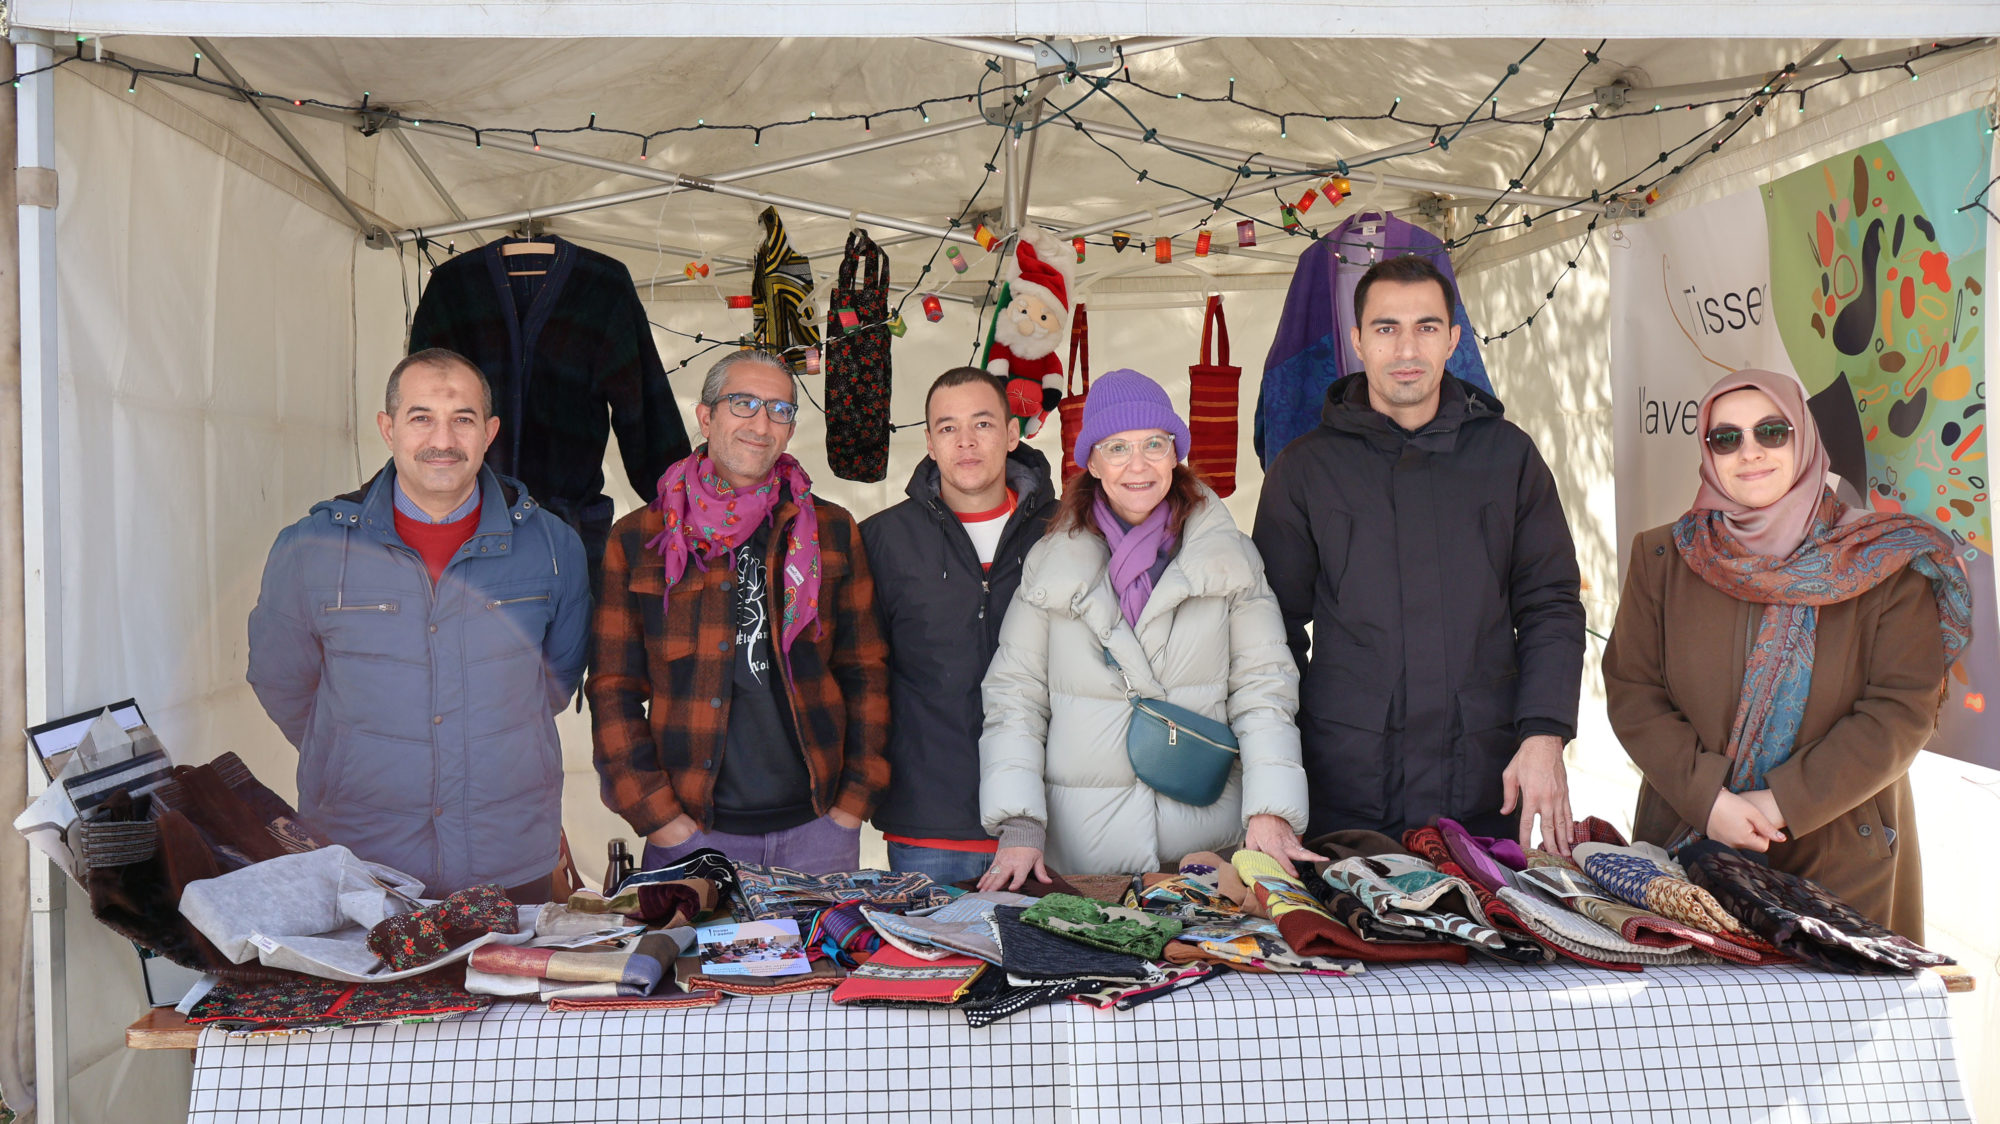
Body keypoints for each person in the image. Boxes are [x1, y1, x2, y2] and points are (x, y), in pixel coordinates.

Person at [1603, 368, 1969, 940]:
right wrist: (1709, 800)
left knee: (1833, 1027)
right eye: (1727, 438)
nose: (1750, 452)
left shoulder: (1881, 561)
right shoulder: (1662, 556)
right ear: (1708, 453)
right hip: (1690, 844)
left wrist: (1781, 803)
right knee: (1688, 1025)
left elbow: (1901, 710)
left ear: (1803, 438)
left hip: (1842, 853)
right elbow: (1633, 692)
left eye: (1771, 432)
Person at [1252, 254, 1585, 855]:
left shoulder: (1508, 458)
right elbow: (1267, 629)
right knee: (1354, 945)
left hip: (1482, 788)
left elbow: (1551, 605)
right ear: (1357, 341)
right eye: (1386, 328)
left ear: (1453, 339)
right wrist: (1304, 745)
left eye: (1426, 327)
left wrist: (1543, 733)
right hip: (1345, 793)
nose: (1407, 347)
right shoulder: (1304, 469)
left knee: (1482, 946)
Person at [247, 348, 590, 900]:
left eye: (463, 419)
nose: (443, 440)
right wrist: (354, 751)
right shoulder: (310, 549)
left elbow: (556, 680)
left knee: (505, 991)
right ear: (388, 428)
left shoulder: (553, 547)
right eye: (421, 417)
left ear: (490, 431)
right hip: (361, 855)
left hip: (508, 856)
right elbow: (280, 680)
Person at [978, 368, 1315, 888]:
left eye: (1154, 444)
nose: (1138, 465)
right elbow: (1015, 697)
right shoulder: (1050, 565)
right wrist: (1020, 822)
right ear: (1090, 461)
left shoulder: (1231, 559)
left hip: (1206, 851)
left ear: (1175, 453)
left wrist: (1270, 810)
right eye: (1116, 448)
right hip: (1085, 857)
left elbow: (1265, 688)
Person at [590, 349, 890, 876]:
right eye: (743, 403)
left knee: (823, 963)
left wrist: (853, 804)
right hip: (691, 835)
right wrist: (657, 816)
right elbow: (613, 688)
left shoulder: (833, 531)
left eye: (780, 409)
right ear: (705, 417)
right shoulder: (639, 538)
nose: (762, 422)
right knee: (691, 964)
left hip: (819, 832)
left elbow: (865, 672)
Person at [860, 368, 1058, 885]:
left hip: (1054, 826)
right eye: (948, 428)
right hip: (929, 828)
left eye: (983, 424)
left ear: (1013, 434)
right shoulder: (881, 542)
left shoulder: (1067, 532)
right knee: (939, 966)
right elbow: (859, 677)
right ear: (929, 442)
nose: (966, 442)